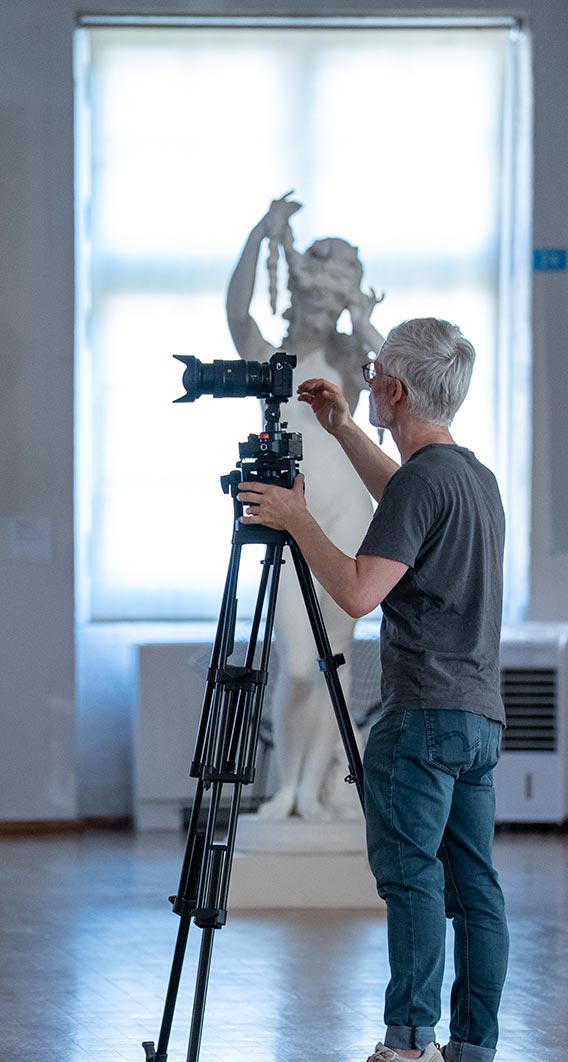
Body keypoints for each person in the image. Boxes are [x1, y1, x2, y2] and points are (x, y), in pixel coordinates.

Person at [236, 317, 509, 1062]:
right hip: (477, 718)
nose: (365, 380)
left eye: (372, 375)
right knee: (475, 887)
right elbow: (404, 495)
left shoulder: (424, 484)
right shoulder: (470, 478)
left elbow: (356, 590)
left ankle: (404, 1049)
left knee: (412, 878)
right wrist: (344, 430)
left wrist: (294, 518)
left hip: (420, 716)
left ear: (393, 388)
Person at [227, 194, 384, 820]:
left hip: (351, 522)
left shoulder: (351, 358)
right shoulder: (271, 361)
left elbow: (400, 372)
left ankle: (315, 788)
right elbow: (235, 309)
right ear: (297, 293)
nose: (322, 311)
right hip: (292, 523)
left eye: (332, 301)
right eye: (314, 298)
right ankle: (288, 782)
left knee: (335, 664)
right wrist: (257, 235)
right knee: (298, 667)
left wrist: (361, 315)